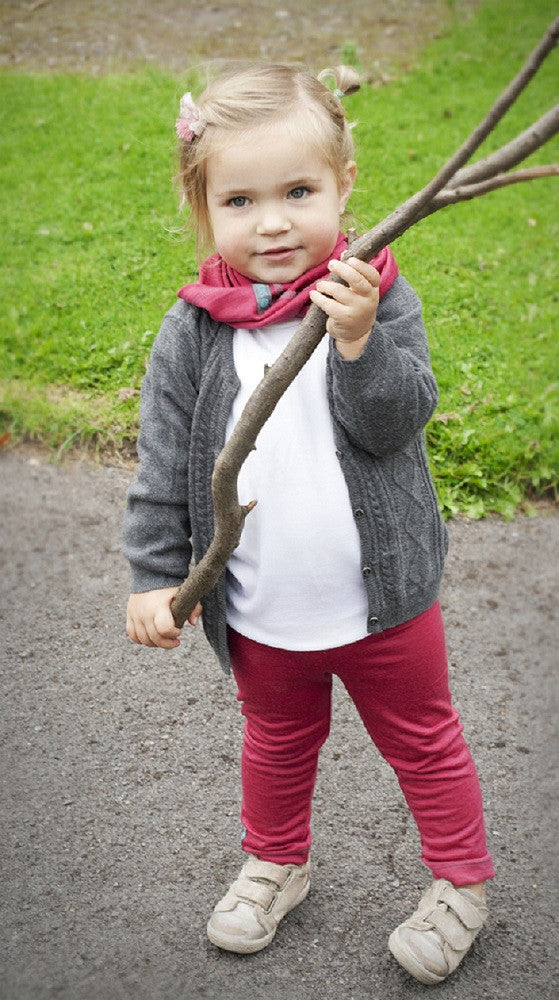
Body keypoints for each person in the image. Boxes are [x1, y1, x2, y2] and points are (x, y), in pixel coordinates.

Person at [122, 62, 494, 985]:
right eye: (240, 200)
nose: (275, 221)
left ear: (344, 186)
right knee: (276, 743)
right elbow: (166, 464)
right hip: (259, 605)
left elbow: (395, 419)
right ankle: (275, 862)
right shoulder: (195, 330)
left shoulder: (370, 293)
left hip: (384, 601)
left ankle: (459, 882)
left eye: (298, 192)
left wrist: (361, 339)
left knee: (423, 738)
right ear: (203, 209)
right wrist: (151, 574)